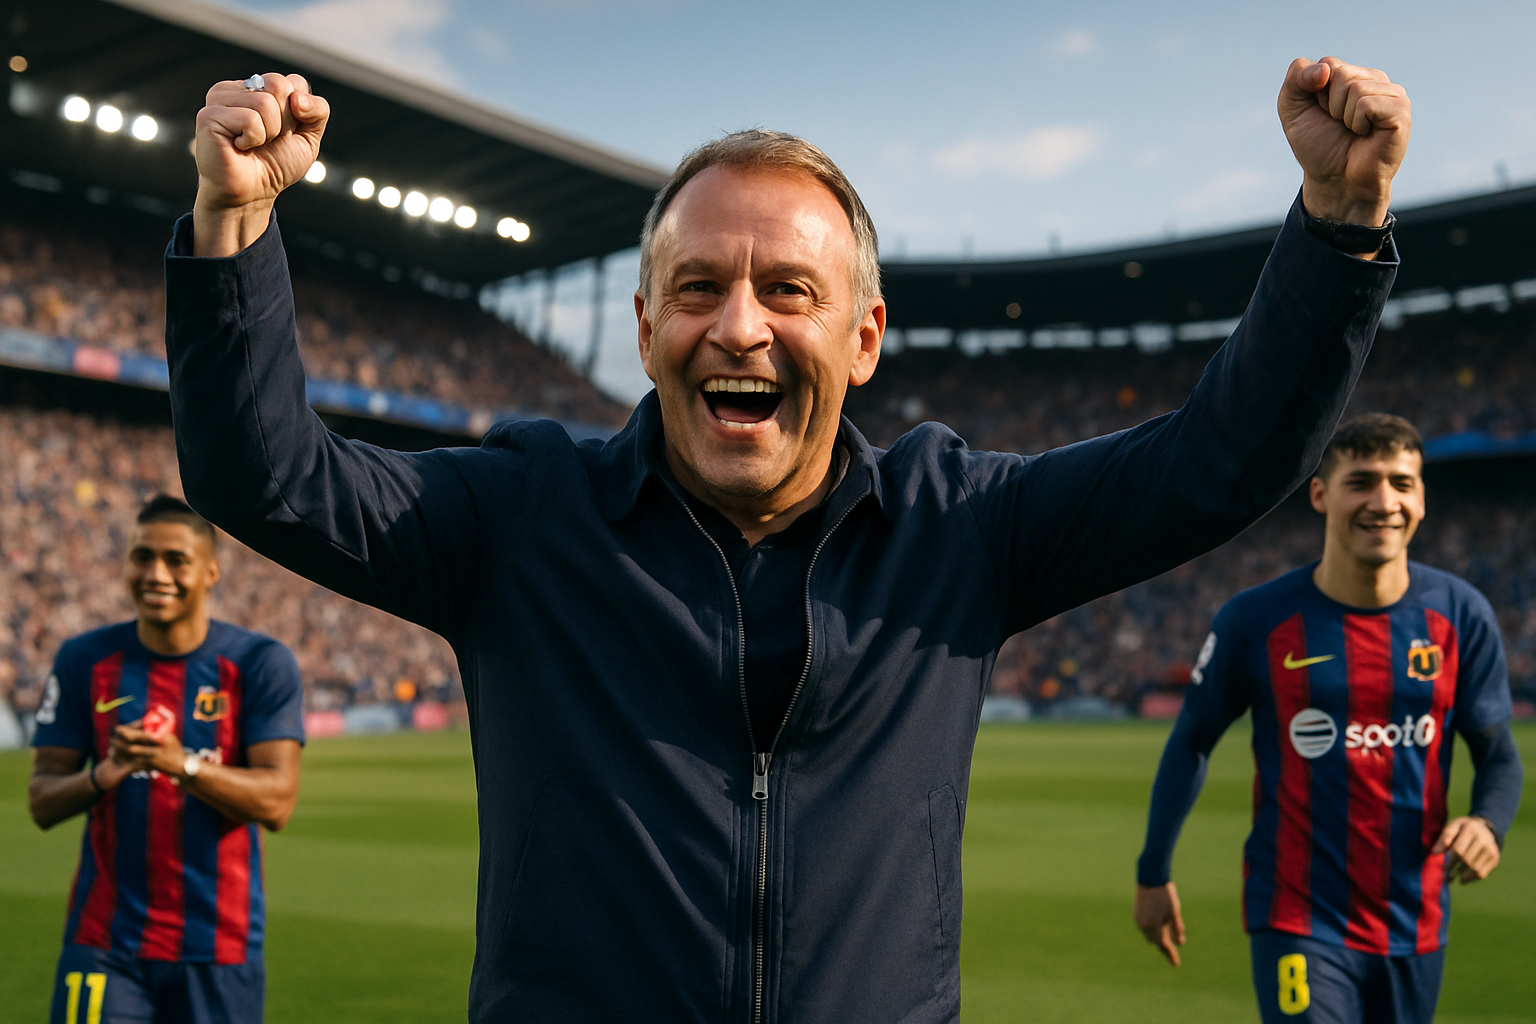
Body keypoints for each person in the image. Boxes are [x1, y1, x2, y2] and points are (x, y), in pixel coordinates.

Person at [164, 56, 1407, 1022]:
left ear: (864, 339)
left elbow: (1218, 464)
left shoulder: (963, 525)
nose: (740, 327)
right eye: (699, 288)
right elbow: (264, 473)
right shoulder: (519, 517)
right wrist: (234, 224)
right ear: (646, 324)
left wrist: (1338, 226)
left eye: (788, 291)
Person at [1134, 414, 1524, 1024]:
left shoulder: (1460, 616)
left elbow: (1497, 750)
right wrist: (1153, 870)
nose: (1383, 501)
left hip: (1415, 919)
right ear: (1320, 494)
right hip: (1297, 914)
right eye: (1361, 481)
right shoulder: (1255, 621)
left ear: (1422, 498)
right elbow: (1192, 741)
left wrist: (1489, 823)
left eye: (1401, 482)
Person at [28, 496, 305, 1024]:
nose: (156, 573)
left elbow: (277, 802)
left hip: (217, 947)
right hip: (103, 943)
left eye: (176, 559)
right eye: (141, 556)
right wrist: (102, 776)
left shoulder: (258, 663)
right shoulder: (84, 659)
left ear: (210, 572)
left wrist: (183, 767)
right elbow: (42, 801)